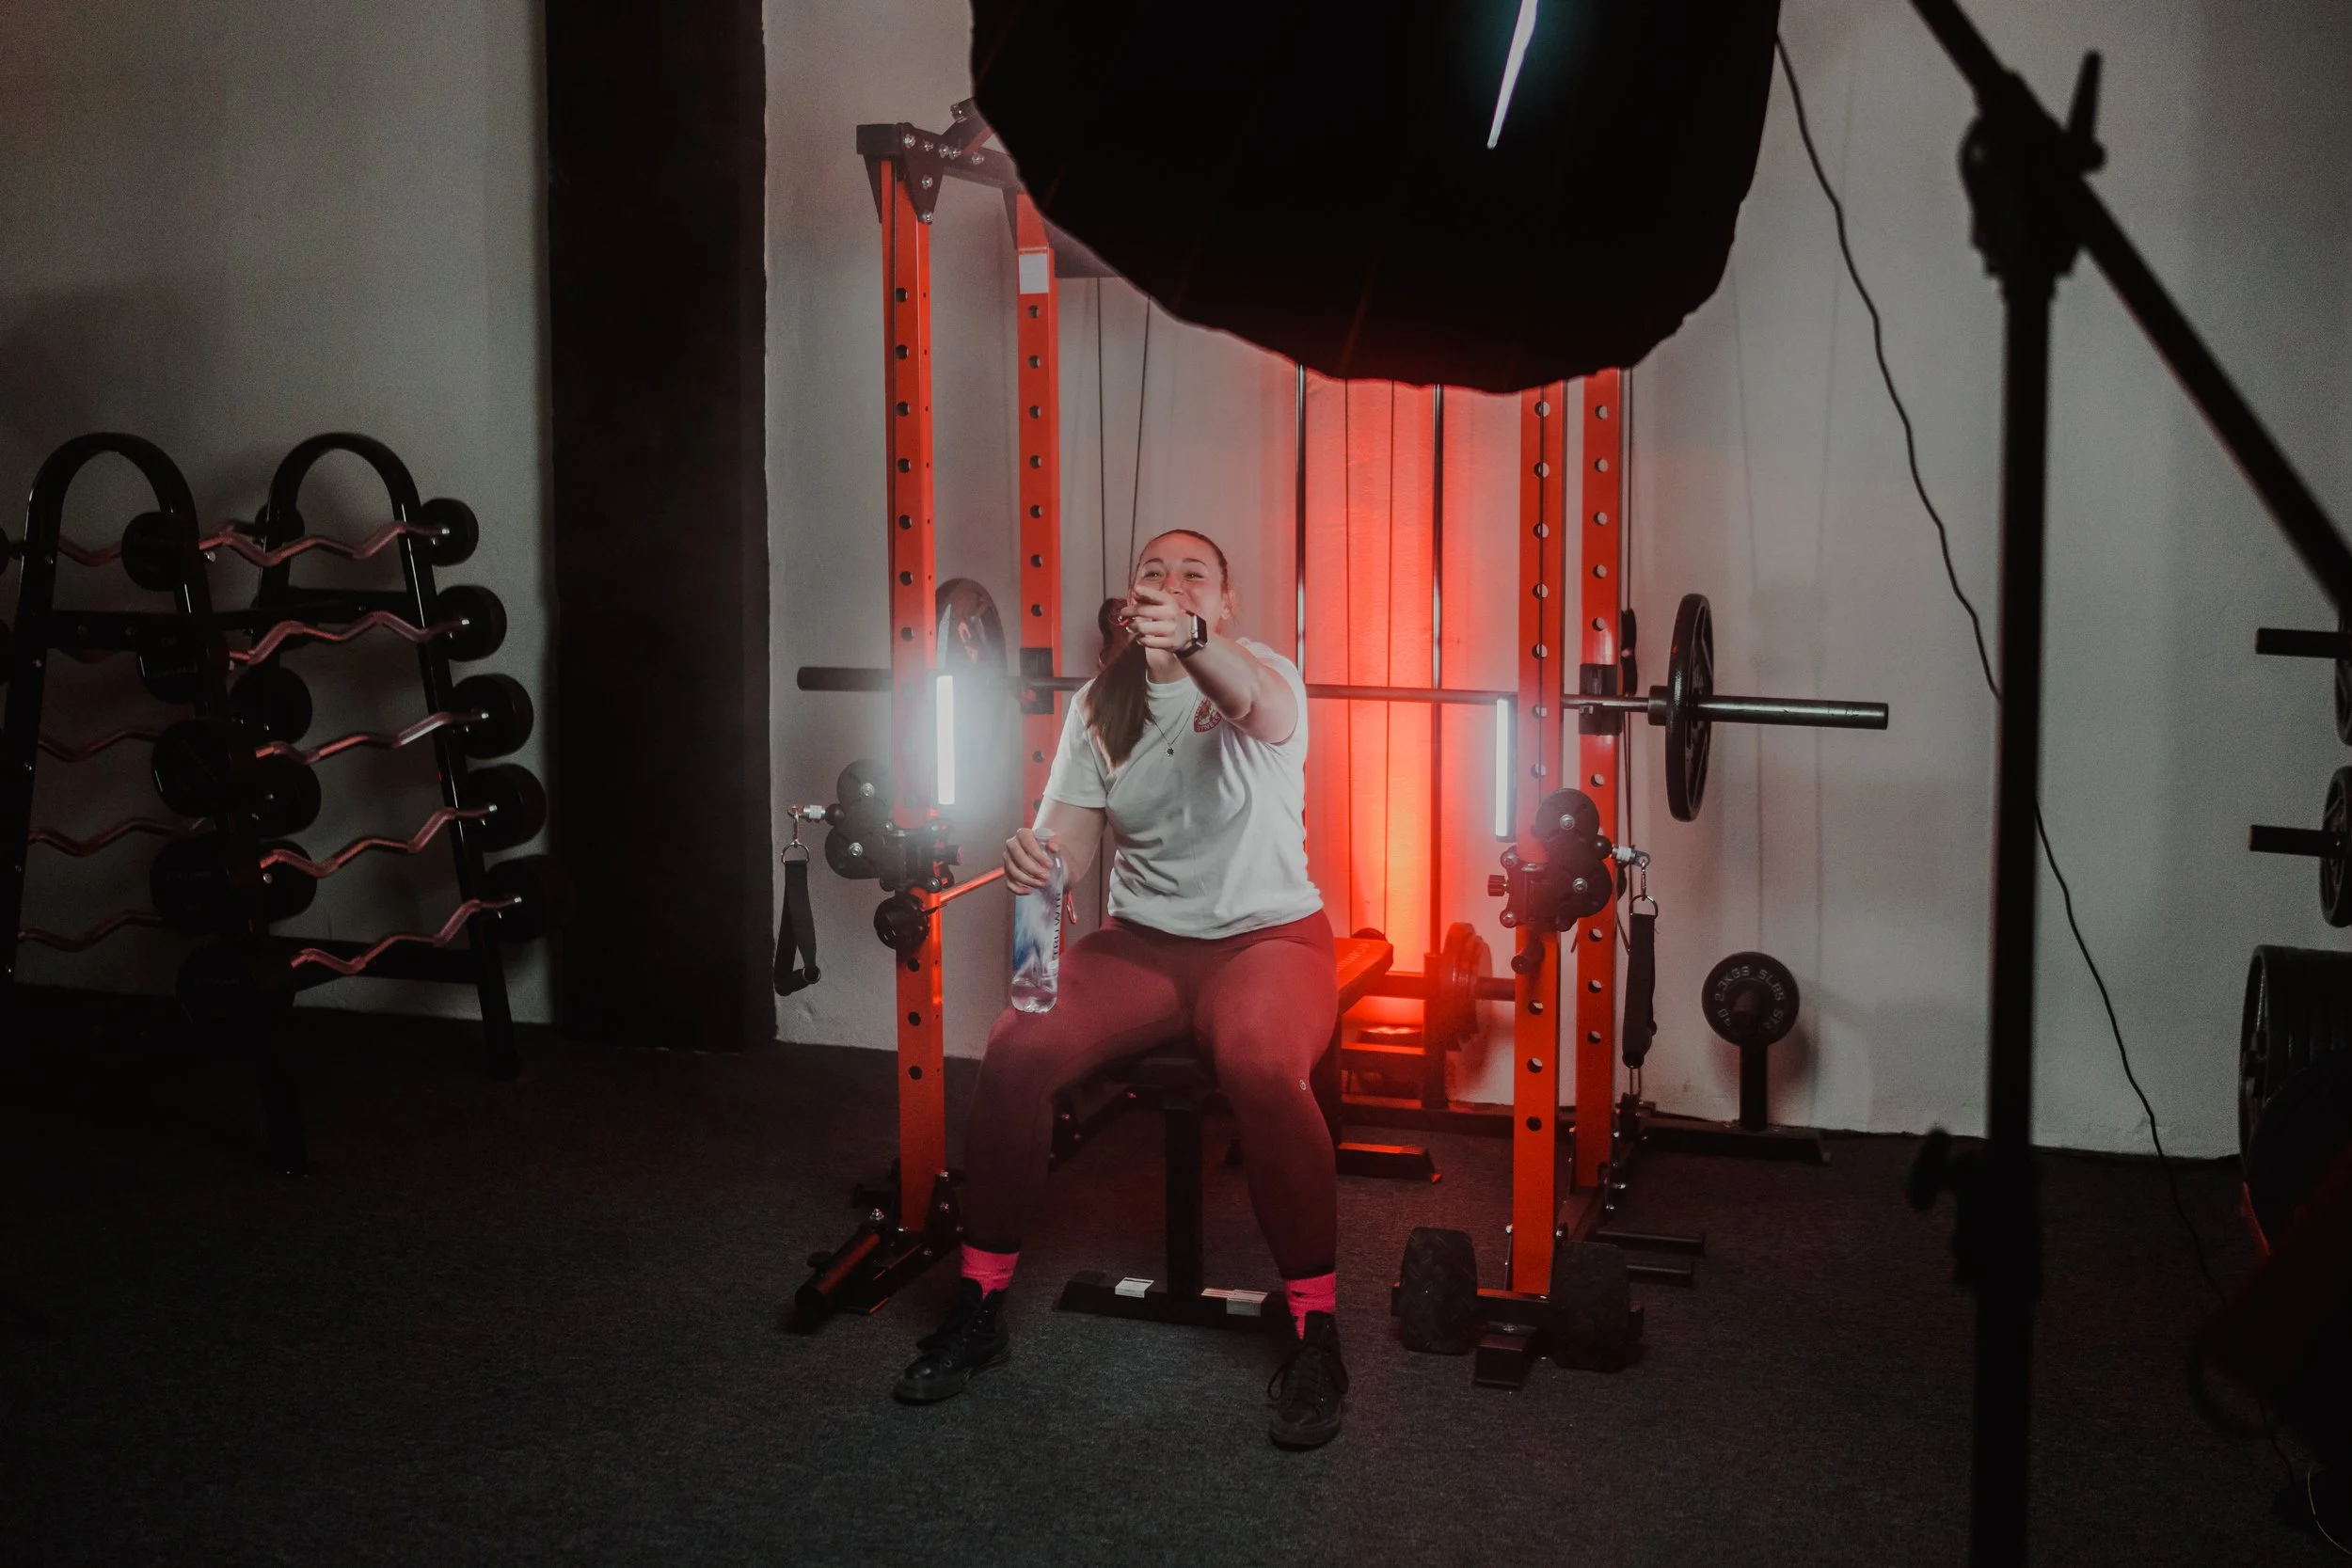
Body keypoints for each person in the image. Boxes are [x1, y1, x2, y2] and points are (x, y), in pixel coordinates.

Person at [892, 529, 1348, 1449]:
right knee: (1017, 1047)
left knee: (1261, 1063)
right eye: (1151, 571)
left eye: (1192, 576)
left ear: (1222, 604)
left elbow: (1249, 701)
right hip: (1142, 946)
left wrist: (1187, 641)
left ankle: (1316, 1327)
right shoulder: (1103, 704)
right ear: (1126, 597)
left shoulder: (1261, 672)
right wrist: (1036, 874)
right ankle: (978, 1305)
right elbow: (1064, 851)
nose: (1169, 583)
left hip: (1268, 944)